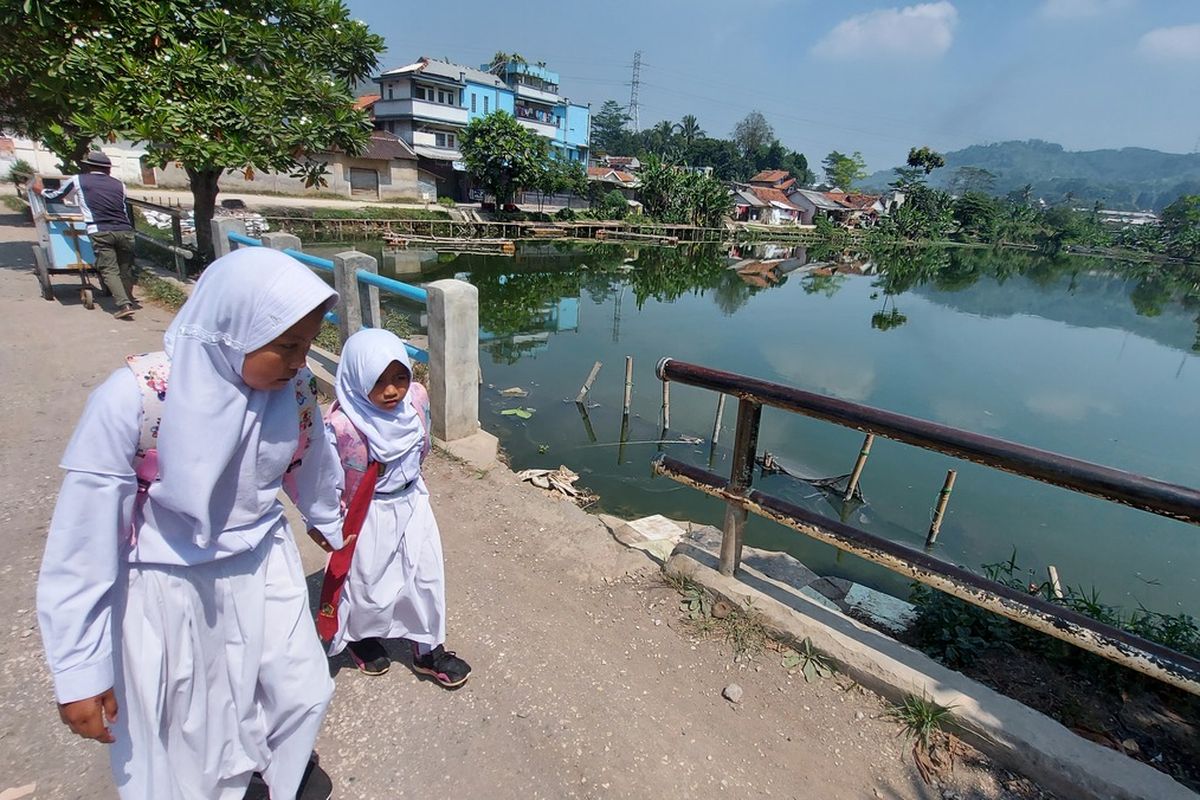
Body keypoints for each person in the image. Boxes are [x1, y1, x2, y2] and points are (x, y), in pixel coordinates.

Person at [37, 247, 347, 799]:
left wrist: (323, 514)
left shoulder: (291, 392)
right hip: (169, 581)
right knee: (192, 725)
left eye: (307, 345)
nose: (302, 361)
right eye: (288, 346)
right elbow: (81, 544)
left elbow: (308, 456)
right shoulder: (138, 401)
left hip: (262, 559)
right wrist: (80, 668)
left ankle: (267, 771)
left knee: (301, 690)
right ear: (231, 330)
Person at [320, 328, 471, 687]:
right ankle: (363, 637)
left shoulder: (415, 402)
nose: (392, 390)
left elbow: (422, 449)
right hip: (368, 513)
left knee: (425, 576)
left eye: (399, 377)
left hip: (412, 501)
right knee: (370, 582)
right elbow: (327, 479)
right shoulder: (342, 426)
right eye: (379, 381)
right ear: (357, 380)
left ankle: (428, 650)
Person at [35, 150, 138, 319]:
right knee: (125, 268)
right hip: (125, 230)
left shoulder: (79, 180)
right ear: (108, 169)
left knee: (109, 269)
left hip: (100, 230)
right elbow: (123, 206)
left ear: (89, 166)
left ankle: (124, 304)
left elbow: (57, 195)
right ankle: (127, 297)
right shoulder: (120, 184)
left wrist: (41, 191)